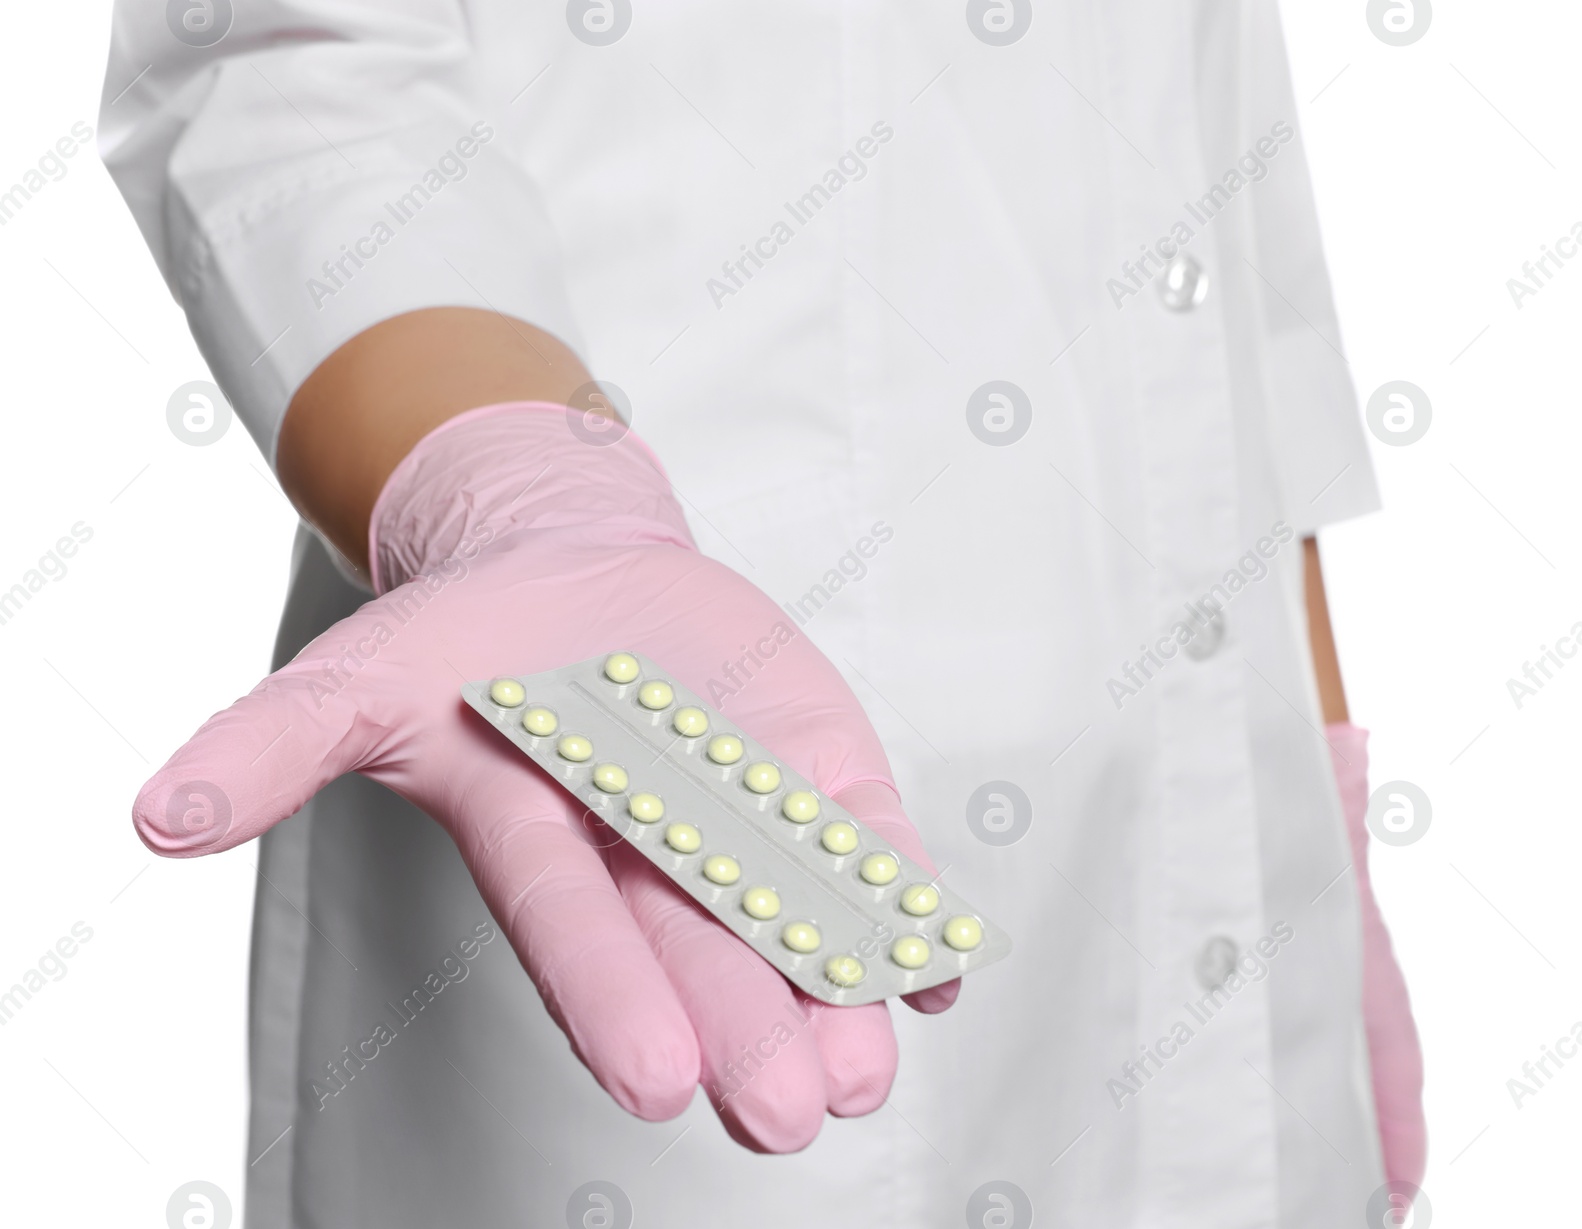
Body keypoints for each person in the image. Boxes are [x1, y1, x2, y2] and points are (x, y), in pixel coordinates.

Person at [100, 2, 1425, 1224]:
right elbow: (295, 60)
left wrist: (1313, 766)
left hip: (1210, 834)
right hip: (657, 779)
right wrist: (514, 485)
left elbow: (1199, 135)